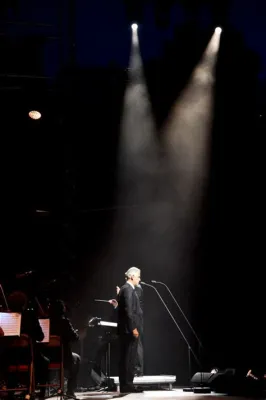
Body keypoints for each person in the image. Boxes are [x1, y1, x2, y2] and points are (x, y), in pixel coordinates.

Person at [117, 267, 143, 393]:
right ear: (132, 276)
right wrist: (133, 328)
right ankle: (127, 384)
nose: (140, 279)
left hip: (127, 329)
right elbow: (128, 310)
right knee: (129, 358)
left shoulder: (126, 289)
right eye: (138, 276)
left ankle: (127, 384)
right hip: (129, 330)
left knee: (127, 357)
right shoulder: (127, 289)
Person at [110, 282, 144, 376]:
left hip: (134, 322)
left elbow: (130, 307)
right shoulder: (128, 289)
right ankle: (133, 371)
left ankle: (138, 370)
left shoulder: (136, 288)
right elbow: (126, 306)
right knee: (131, 349)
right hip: (128, 323)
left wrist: (120, 294)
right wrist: (118, 300)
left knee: (136, 348)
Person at [48, 300, 80, 398]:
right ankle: (70, 390)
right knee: (77, 358)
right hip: (63, 357)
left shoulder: (45, 322)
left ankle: (42, 389)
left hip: (47, 357)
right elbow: (75, 338)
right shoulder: (64, 322)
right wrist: (74, 332)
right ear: (63, 310)